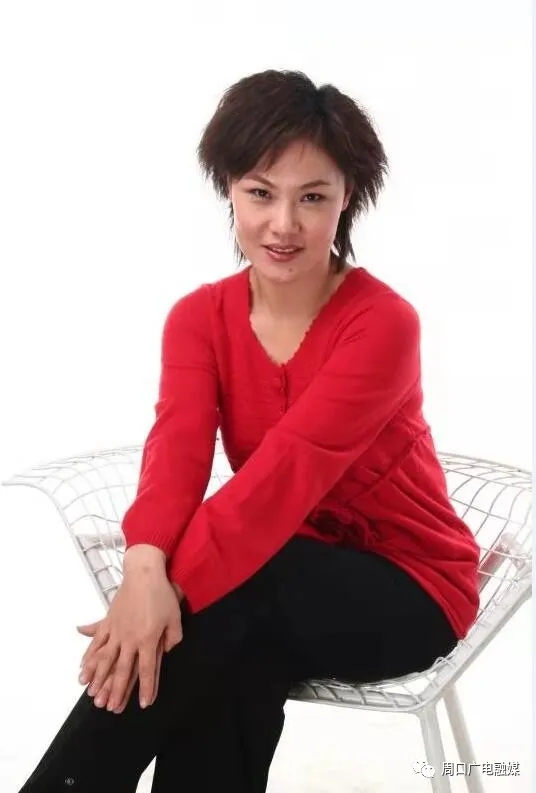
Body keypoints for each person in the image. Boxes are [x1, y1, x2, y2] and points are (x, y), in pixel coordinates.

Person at [18, 69, 480, 793]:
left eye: (312, 197)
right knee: (227, 654)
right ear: (228, 189)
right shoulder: (199, 318)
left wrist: (157, 601)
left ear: (347, 198)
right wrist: (143, 570)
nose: (283, 224)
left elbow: (282, 479)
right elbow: (175, 452)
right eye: (261, 193)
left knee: (225, 597)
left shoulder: (383, 324)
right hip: (269, 579)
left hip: (408, 588)